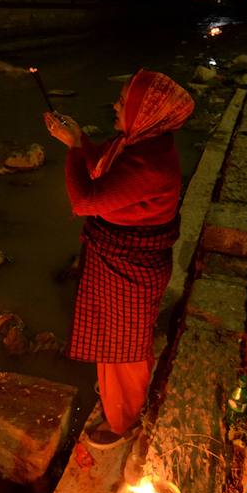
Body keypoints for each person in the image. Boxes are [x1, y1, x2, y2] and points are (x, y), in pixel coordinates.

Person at [43, 69, 195, 446]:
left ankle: (123, 422)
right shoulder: (139, 143)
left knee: (126, 347)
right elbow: (105, 169)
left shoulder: (151, 164)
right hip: (120, 257)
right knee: (116, 337)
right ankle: (117, 396)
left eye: (124, 100)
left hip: (130, 265)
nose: (115, 104)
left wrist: (76, 147)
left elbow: (86, 200)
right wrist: (78, 141)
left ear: (148, 112)